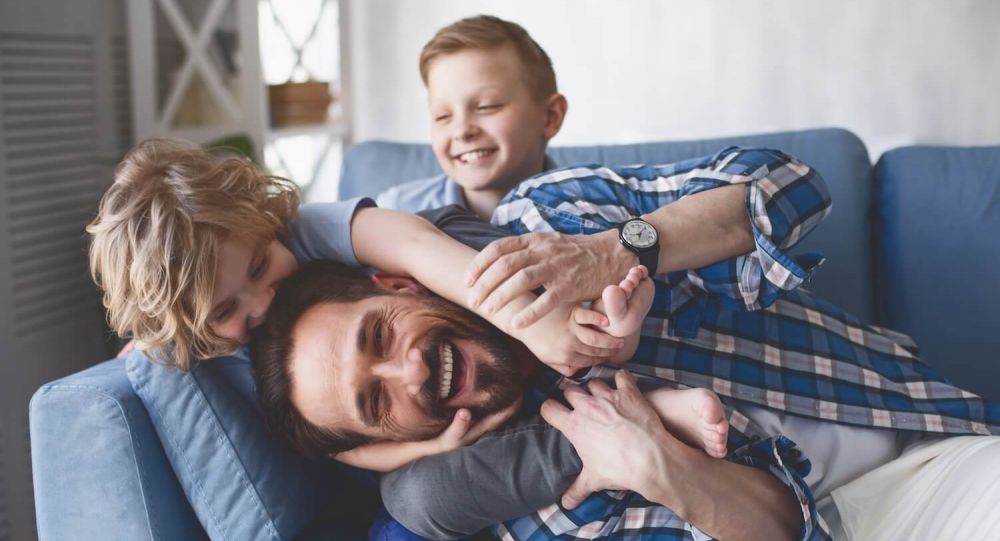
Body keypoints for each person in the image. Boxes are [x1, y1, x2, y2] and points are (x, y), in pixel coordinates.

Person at [251, 145, 1000, 540]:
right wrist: (661, 466)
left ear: (401, 281)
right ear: (390, 445)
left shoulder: (550, 221)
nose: (409, 369)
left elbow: (793, 184)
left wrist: (619, 249)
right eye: (375, 400)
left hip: (931, 443)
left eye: (380, 335)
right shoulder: (536, 505)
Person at [86, 138, 639, 453]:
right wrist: (424, 449)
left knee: (442, 220)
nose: (260, 303)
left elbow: (417, 245)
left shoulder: (303, 229)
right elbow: (341, 448)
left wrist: (526, 321)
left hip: (413, 257)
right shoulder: (201, 343)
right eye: (227, 310)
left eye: (259, 265)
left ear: (261, 214)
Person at [376, 15, 567, 220]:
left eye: (487, 106)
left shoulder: (597, 214)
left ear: (550, 117)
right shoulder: (396, 212)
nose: (462, 131)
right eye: (443, 116)